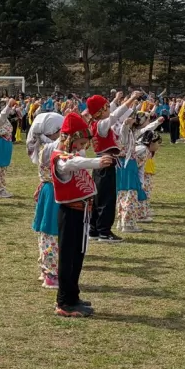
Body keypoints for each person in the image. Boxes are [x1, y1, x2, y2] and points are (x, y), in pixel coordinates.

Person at [51, 112, 115, 317]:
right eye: (78, 143)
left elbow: (78, 159)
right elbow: (70, 164)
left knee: (77, 256)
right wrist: (96, 163)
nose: (81, 147)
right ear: (69, 140)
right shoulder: (60, 157)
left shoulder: (75, 155)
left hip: (82, 212)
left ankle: (73, 296)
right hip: (70, 212)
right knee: (68, 257)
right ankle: (63, 302)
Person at [87, 91, 141, 243]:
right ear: (101, 111)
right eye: (106, 108)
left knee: (98, 198)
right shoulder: (102, 125)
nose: (109, 110)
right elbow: (115, 114)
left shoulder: (95, 123)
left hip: (100, 164)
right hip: (105, 164)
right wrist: (131, 98)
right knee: (107, 199)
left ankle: (94, 229)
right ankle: (104, 231)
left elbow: (112, 113)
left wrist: (117, 100)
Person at [28, 112, 64, 289]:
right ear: (53, 132)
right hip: (52, 193)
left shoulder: (47, 145)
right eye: (61, 130)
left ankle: (46, 270)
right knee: (50, 233)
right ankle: (50, 273)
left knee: (48, 234)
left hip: (49, 191)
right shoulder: (49, 147)